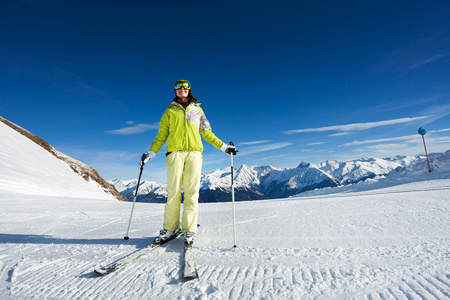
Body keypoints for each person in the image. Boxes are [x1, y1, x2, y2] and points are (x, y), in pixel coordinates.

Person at [140, 79, 236, 245]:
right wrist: (151, 153)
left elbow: (207, 133)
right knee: (173, 192)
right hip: (174, 153)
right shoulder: (169, 111)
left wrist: (223, 147)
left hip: (194, 154)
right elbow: (162, 135)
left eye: (185, 86)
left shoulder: (198, 110)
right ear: (175, 91)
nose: (182, 88)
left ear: (189, 90)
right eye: (178, 86)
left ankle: (189, 229)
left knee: (192, 192)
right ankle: (170, 228)